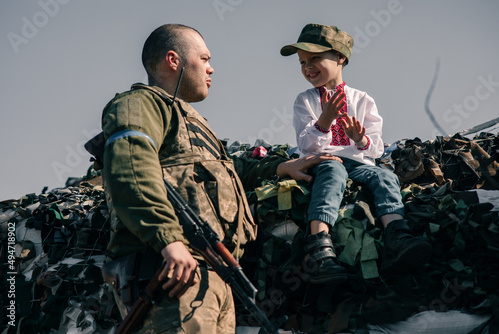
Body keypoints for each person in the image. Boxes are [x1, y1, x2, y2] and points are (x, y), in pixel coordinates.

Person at [99, 23, 340, 333]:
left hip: (212, 276)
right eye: (204, 58)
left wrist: (280, 168)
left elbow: (220, 171)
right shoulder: (139, 105)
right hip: (169, 271)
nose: (211, 69)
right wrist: (169, 241)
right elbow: (131, 170)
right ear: (173, 61)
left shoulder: (192, 121)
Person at [280, 23, 432, 284]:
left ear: (340, 57)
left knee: (384, 177)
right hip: (325, 161)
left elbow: (377, 148)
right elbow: (306, 147)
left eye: (315, 58)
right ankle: (319, 246)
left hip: (360, 163)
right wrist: (324, 120)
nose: (307, 67)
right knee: (332, 170)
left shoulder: (363, 99)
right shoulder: (304, 100)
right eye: (302, 61)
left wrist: (360, 139)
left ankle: (397, 234)